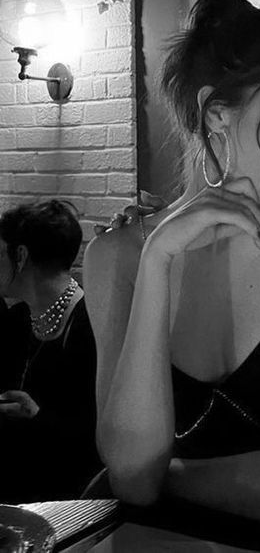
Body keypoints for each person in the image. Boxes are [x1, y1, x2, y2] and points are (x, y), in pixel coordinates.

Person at [83, 0, 260, 537]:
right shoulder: (118, 255)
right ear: (215, 113)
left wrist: (156, 479)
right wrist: (159, 257)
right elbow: (129, 472)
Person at [0, 199, 100, 503]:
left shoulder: (90, 325)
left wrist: (36, 415)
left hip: (66, 495)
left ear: (21, 255)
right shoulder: (18, 320)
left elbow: (96, 441)